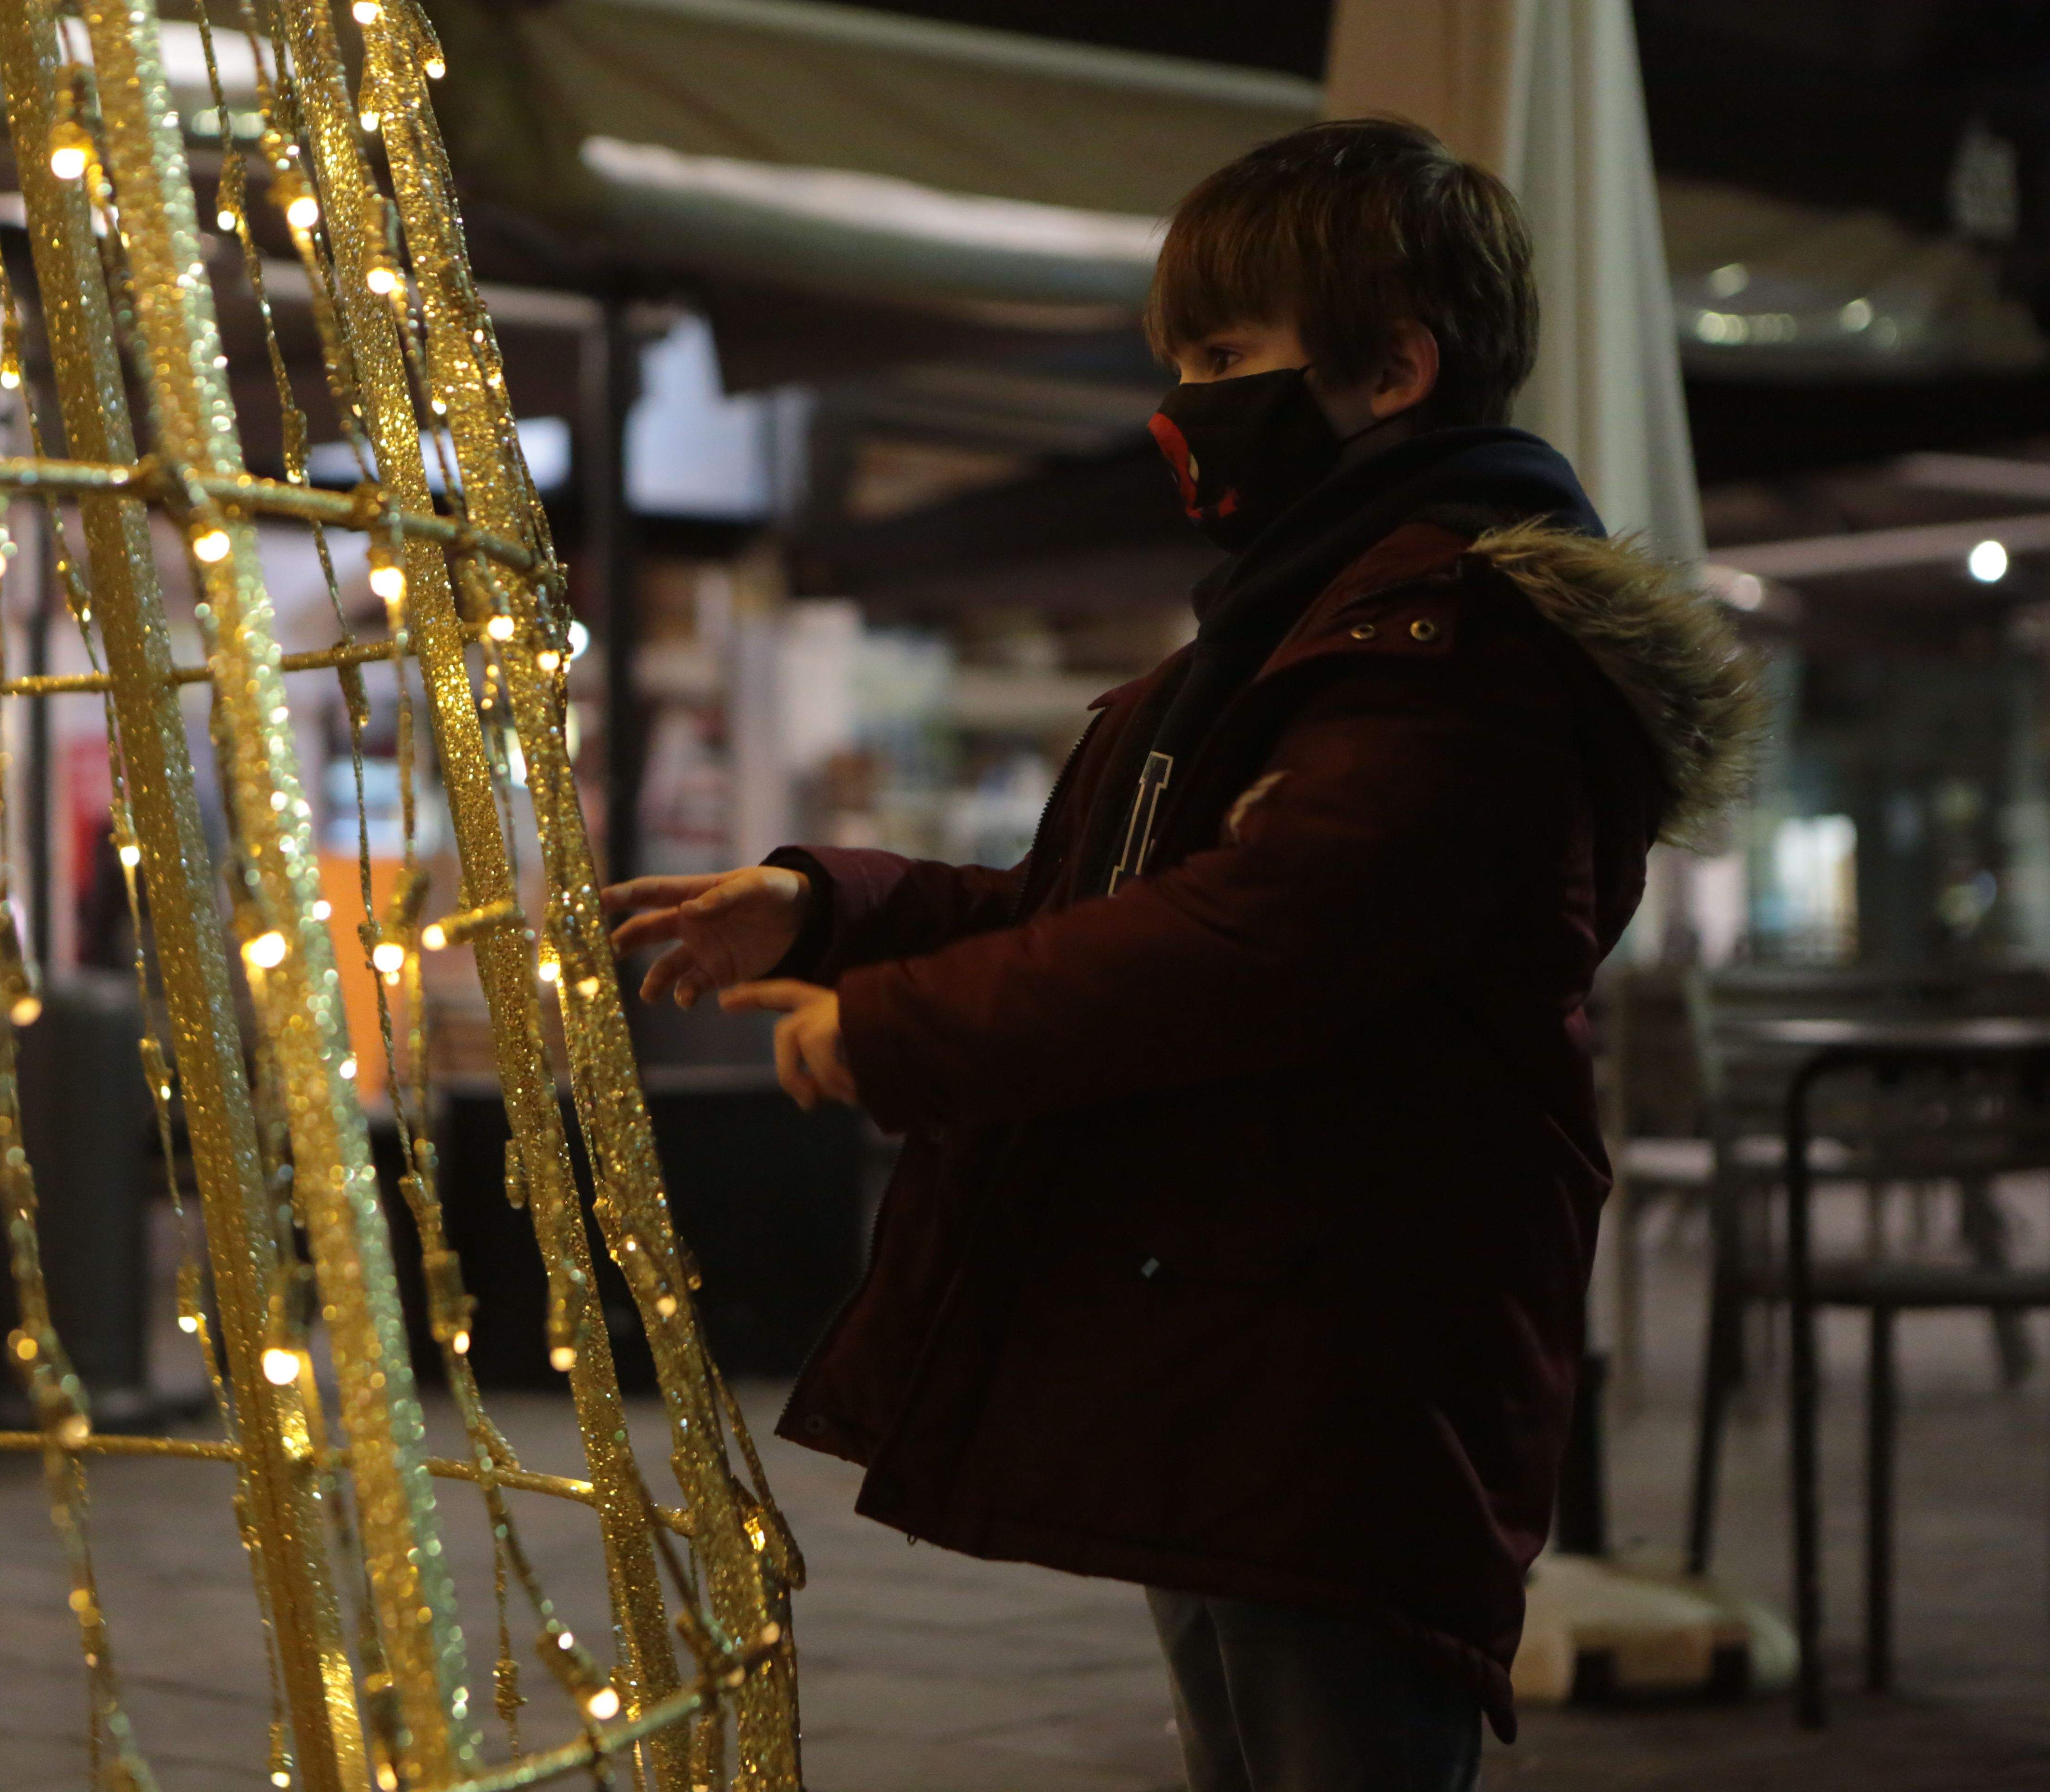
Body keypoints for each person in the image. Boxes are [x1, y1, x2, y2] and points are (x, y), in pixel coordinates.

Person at [606, 119, 1763, 1792]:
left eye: (1226, 356)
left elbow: (1245, 941)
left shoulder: (1451, 653)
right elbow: (1085, 901)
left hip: (1350, 1337)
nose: (1184, 408)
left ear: (1397, 368)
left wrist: (897, 1030)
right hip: (1236, 1317)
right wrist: (830, 909)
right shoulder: (1275, 638)